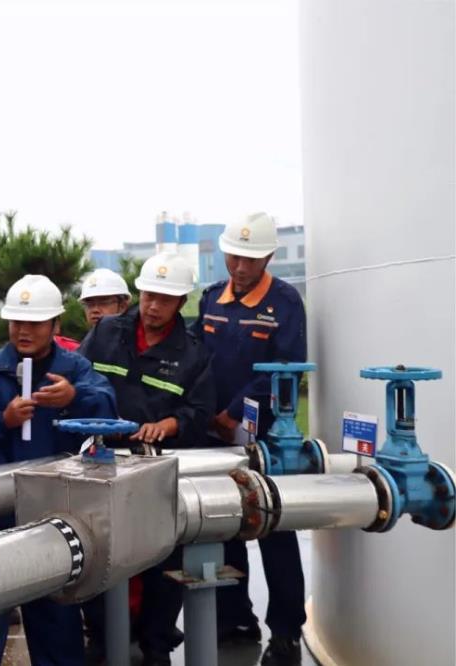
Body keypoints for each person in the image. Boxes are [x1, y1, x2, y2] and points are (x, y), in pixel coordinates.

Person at [0, 274, 117, 666]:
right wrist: (0, 421)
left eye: (35, 323)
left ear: (55, 324)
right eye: (17, 322)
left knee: (57, 626)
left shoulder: (75, 369)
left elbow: (108, 409)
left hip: (56, 516)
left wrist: (74, 397)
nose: (24, 331)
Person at [79, 254, 215, 666]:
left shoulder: (193, 354)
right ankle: (102, 637)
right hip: (102, 463)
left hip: (157, 472)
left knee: (162, 558)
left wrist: (169, 424)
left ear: (182, 302)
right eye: (148, 295)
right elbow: (80, 379)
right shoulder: (106, 333)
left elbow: (200, 412)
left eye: (165, 299)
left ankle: (157, 645)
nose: (153, 306)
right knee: (99, 551)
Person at [193, 212, 308, 666]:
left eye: (250, 259)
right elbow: (195, 362)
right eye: (234, 257)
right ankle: (235, 619)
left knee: (275, 529)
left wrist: (235, 414)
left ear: (270, 257)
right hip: (211, 434)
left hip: (265, 438)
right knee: (224, 526)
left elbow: (286, 370)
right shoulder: (210, 299)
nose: (240, 267)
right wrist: (208, 415)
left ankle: (286, 632)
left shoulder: (285, 302)